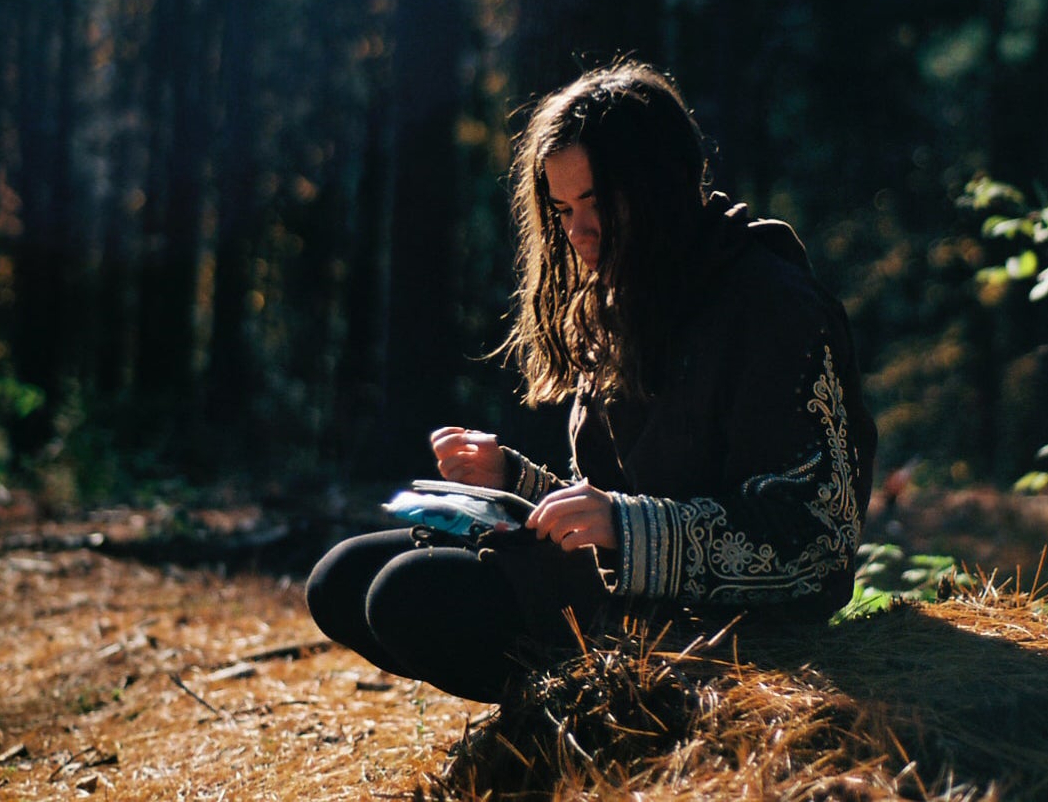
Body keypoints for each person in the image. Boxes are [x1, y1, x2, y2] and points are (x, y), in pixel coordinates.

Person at [306, 60, 876, 703]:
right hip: (624, 605)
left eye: (599, 204)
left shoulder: (774, 306)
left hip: (727, 639)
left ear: (661, 185)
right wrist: (514, 482)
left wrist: (627, 528)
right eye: (563, 209)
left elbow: (816, 549)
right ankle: (566, 720)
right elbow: (614, 505)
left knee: (408, 595)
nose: (578, 232)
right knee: (341, 578)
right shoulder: (623, 297)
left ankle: (599, 725)